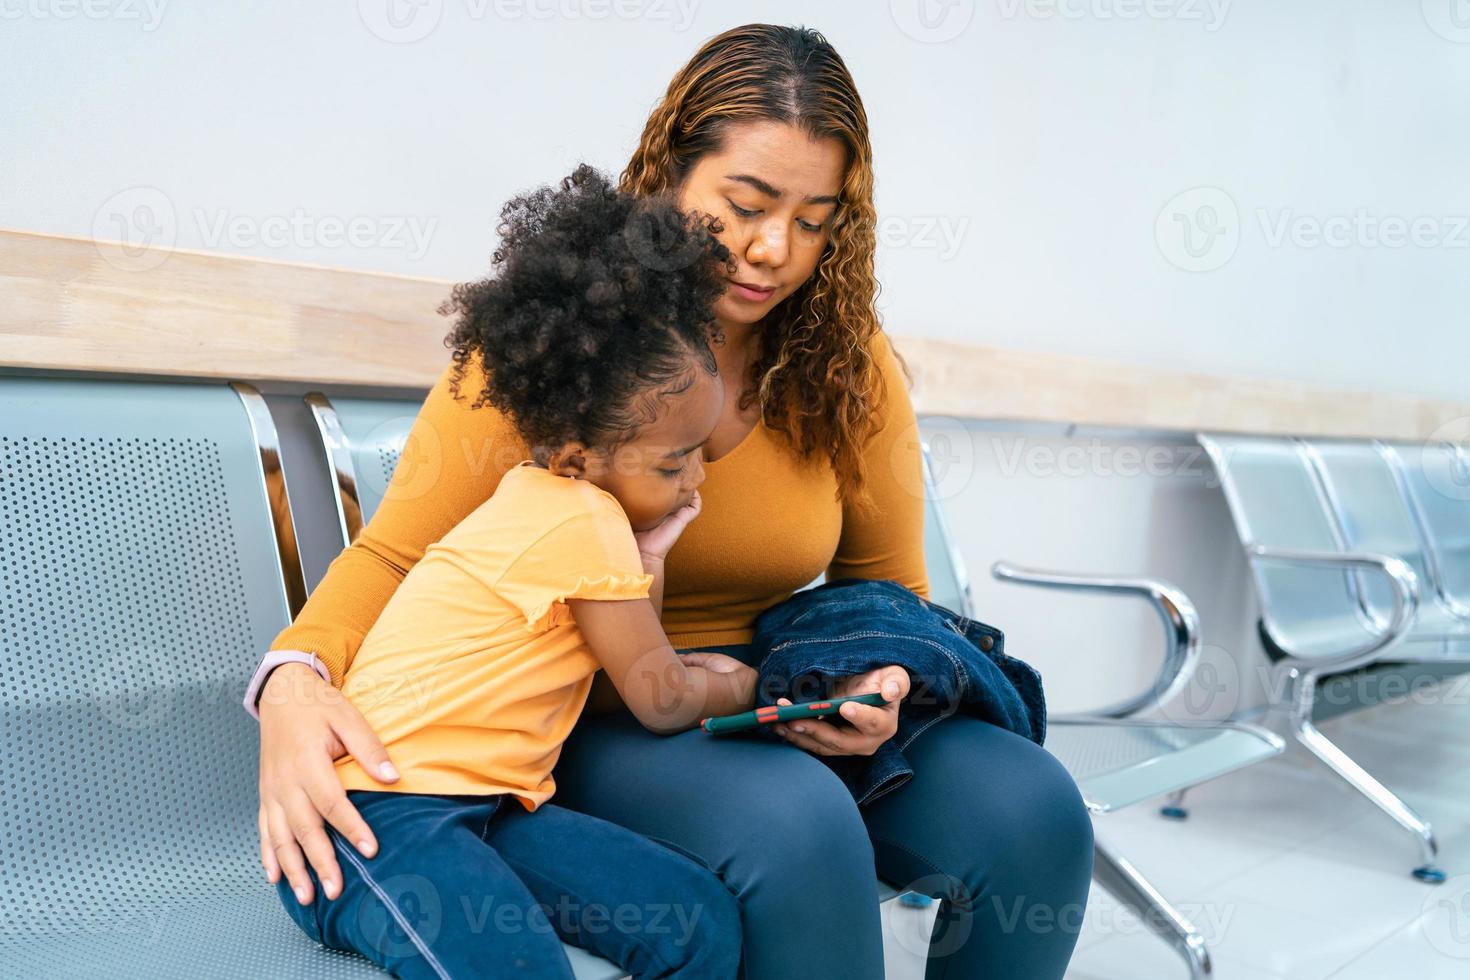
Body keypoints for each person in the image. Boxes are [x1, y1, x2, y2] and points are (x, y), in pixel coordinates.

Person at [253, 24, 1094, 979]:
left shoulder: (848, 364)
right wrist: (291, 679)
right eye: (745, 203)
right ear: (669, 171)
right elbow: (397, 554)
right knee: (796, 825)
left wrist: (883, 683)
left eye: (814, 220)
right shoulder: (569, 345)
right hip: (594, 709)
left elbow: (887, 586)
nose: (774, 248)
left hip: (771, 694)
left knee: (1034, 810)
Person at [253, 166, 746, 978]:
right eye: (675, 463)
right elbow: (658, 698)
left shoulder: (568, 508)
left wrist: (648, 557)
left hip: (488, 808)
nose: (698, 480)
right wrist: (744, 684)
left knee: (696, 921)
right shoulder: (579, 522)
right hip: (370, 822)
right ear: (585, 458)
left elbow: (629, 677)